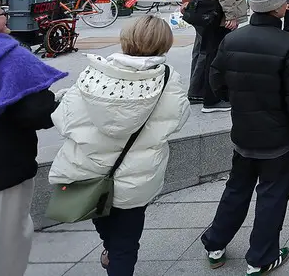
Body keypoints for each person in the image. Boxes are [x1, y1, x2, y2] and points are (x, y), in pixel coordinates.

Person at [50, 17, 190, 276]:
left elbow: (63, 119)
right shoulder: (168, 80)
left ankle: (110, 250)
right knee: (126, 242)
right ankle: (115, 255)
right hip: (137, 178)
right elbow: (177, 121)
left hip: (89, 172)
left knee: (103, 220)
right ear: (165, 44)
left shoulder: (94, 73)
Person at [202, 0, 289, 273]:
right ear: (277, 8)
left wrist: (239, 99)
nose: (287, 5)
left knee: (236, 188)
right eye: (284, 1)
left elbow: (216, 81)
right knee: (272, 195)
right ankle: (261, 258)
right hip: (278, 138)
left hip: (244, 132)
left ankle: (215, 243)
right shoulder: (288, 44)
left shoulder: (232, 40)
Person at [0, 0, 65, 276]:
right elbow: (35, 112)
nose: (5, 17)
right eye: (0, 12)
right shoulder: (8, 55)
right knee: (3, 246)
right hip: (2, 169)